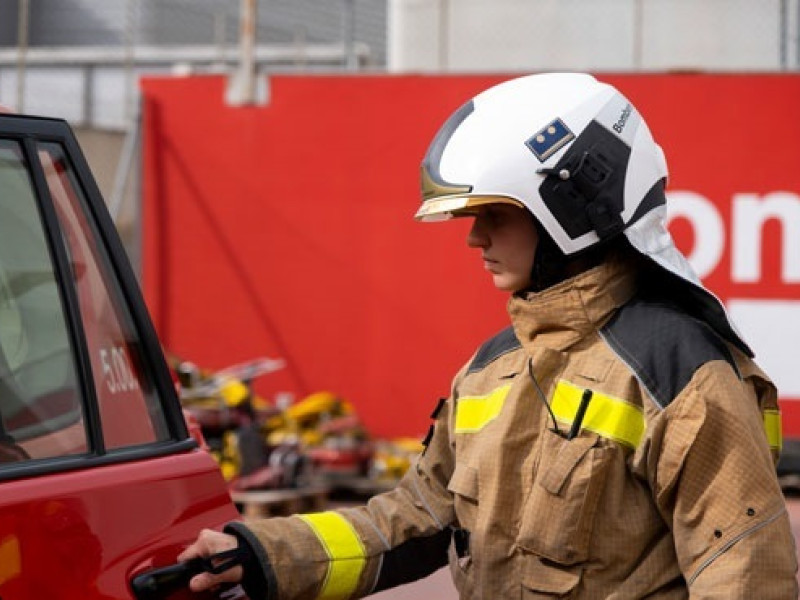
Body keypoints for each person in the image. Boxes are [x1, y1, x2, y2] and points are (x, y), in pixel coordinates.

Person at [178, 72, 798, 598]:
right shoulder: (491, 369)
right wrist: (261, 555)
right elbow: (417, 520)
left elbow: (745, 575)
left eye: (495, 215)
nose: (474, 239)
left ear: (576, 209)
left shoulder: (679, 369)